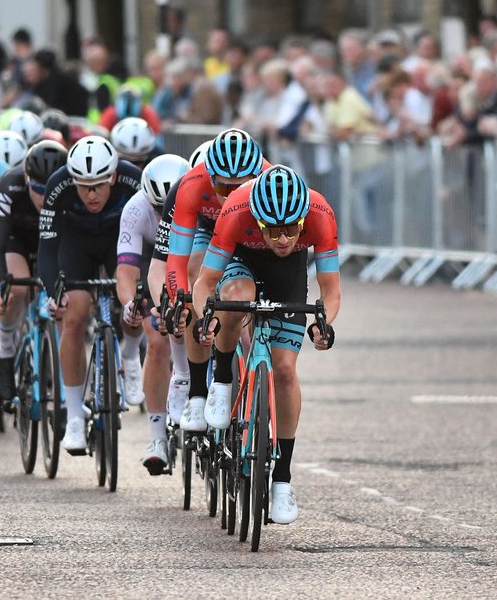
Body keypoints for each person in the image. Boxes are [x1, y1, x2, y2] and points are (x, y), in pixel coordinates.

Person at [193, 164, 341, 525]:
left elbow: (331, 292)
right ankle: (223, 383)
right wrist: (207, 317)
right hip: (242, 263)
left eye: (291, 229)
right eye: (272, 230)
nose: (282, 239)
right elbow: (204, 282)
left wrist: (325, 325)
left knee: (286, 371)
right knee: (235, 298)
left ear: (302, 220)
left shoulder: (320, 215)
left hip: (288, 276)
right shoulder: (235, 210)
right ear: (256, 219)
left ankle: (282, 480)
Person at [158, 128, 270, 432]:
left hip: (251, 232)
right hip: (207, 233)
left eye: (241, 187)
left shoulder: (269, 180)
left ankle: (230, 374)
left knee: (241, 298)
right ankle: (197, 393)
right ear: (210, 176)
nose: (231, 196)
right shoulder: (190, 186)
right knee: (196, 277)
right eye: (223, 188)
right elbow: (177, 262)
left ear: (256, 177)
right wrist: (180, 299)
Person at [37, 136, 142, 453]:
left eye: (98, 185)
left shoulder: (132, 179)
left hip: (119, 242)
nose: (91, 194)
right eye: (83, 186)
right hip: (75, 245)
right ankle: (74, 418)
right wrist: (54, 291)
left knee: (133, 305)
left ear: (112, 177)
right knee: (74, 315)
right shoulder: (58, 185)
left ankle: (131, 354)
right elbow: (47, 248)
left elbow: (149, 236)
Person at [116, 153, 191, 473]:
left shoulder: (195, 203)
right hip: (151, 264)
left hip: (187, 260)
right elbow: (126, 270)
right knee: (157, 340)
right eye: (158, 209)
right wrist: (130, 303)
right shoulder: (134, 209)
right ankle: (157, 436)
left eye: (168, 208)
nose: (165, 215)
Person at [0, 140, 69, 413]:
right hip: (17, 242)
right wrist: (0, 289)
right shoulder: (10, 184)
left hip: (55, 242)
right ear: (26, 178)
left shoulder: (70, 188)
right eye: (38, 190)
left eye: (50, 190)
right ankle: (6, 354)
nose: (44, 198)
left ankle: (63, 381)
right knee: (17, 291)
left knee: (64, 303)